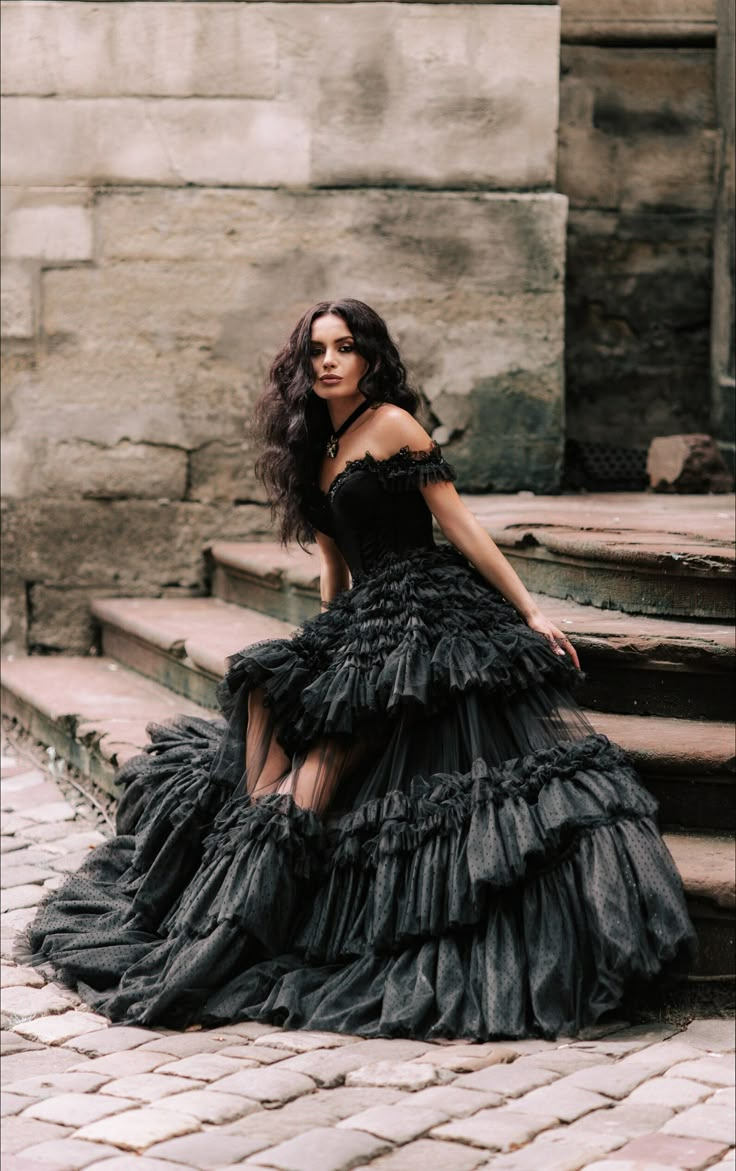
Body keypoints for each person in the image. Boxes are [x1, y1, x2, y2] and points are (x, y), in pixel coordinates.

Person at [22, 299, 695, 1040]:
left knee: (326, 758)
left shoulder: (395, 425)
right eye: (317, 351)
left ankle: (239, 925)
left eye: (345, 348)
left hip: (425, 613)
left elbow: (460, 526)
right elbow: (333, 571)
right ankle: (237, 902)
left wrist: (531, 612)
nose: (330, 362)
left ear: (370, 357)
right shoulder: (309, 448)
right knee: (267, 704)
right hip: (362, 615)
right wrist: (323, 647)